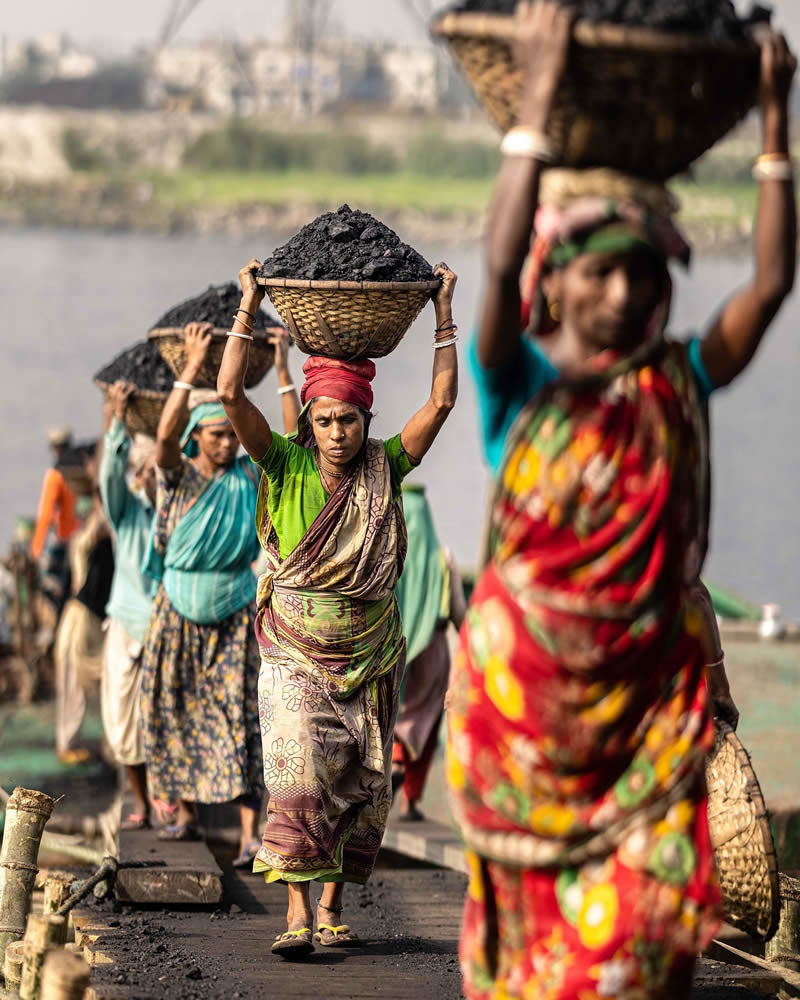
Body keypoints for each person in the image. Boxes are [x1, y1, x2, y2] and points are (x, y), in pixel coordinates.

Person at [446, 4, 796, 998]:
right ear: (552, 285)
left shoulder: (674, 385)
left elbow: (768, 285)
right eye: (598, 273)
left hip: (644, 739)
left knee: (640, 952)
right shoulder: (516, 390)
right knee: (531, 968)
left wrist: (774, 123)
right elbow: (496, 262)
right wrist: (538, 102)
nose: (622, 297)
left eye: (643, 277)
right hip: (523, 736)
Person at [217, 256, 459, 958]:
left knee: (355, 781)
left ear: (364, 419)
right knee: (297, 776)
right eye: (324, 420)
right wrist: (249, 304)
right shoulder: (284, 466)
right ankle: (294, 912)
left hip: (370, 653)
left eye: (348, 420)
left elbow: (441, 405)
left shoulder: (387, 466)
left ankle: (330, 904)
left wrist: (443, 311)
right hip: (294, 652)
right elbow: (232, 393)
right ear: (312, 422)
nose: (335, 432)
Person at [140, 324, 267, 860]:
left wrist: (280, 372)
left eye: (230, 434)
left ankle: (250, 833)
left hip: (235, 610)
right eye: (216, 434)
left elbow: (283, 437)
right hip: (177, 611)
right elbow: (164, 437)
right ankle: (186, 816)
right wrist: (191, 369)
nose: (227, 441)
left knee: (242, 717)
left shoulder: (247, 477)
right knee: (175, 708)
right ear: (198, 437)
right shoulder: (179, 479)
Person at [97, 381, 158, 829]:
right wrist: (116, 420)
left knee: (163, 720)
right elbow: (106, 478)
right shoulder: (128, 512)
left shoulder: (177, 511)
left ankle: (168, 803)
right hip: (126, 622)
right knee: (122, 724)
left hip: (165, 626)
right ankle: (142, 803)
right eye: (146, 471)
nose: (151, 477)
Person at [391, 483, 466, 821]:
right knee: (426, 718)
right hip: (433, 650)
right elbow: (460, 614)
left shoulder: (389, 556)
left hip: (393, 646)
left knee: (393, 712)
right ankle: (410, 801)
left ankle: (393, 757)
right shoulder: (443, 558)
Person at [54, 489, 114, 764]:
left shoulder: (88, 538)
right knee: (74, 678)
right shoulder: (94, 538)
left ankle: (103, 741)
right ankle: (68, 743)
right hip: (82, 618)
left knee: (82, 678)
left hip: (80, 615)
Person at [32, 426, 78, 615]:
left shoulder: (55, 475)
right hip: (82, 535)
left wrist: (36, 548)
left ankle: (61, 613)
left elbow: (46, 514)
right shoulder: (80, 470)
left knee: (48, 582)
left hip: (65, 538)